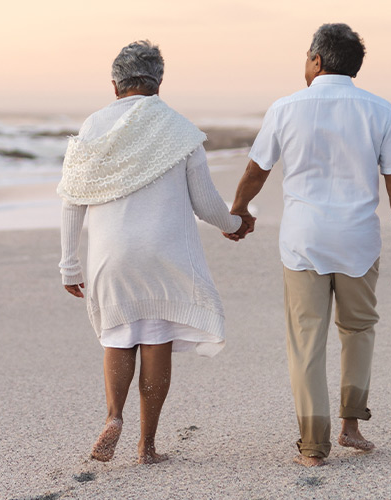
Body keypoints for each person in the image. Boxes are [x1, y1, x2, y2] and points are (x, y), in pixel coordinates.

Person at [227, 23, 391, 467]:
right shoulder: (379, 109)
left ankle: (314, 447)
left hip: (304, 242)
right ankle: (351, 425)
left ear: (316, 60)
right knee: (358, 329)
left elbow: (258, 171)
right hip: (357, 240)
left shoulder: (286, 107)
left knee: (306, 342)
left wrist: (239, 212)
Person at [58, 40, 248, 465]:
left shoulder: (92, 126)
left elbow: (73, 198)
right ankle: (147, 446)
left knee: (118, 336)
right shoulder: (179, 128)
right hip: (164, 253)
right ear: (159, 82)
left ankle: (113, 417)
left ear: (114, 86)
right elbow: (206, 202)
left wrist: (68, 263)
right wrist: (236, 224)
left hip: (111, 255)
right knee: (156, 339)